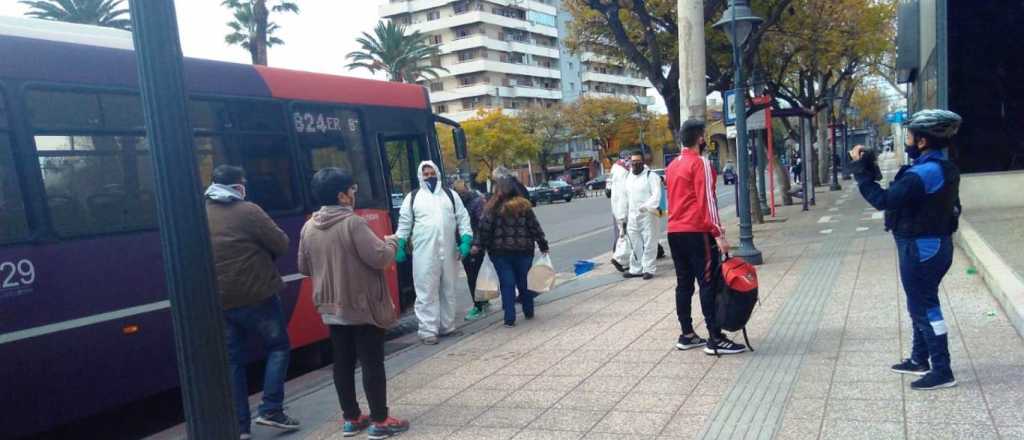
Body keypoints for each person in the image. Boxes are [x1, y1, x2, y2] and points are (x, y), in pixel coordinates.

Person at [847, 109, 963, 390]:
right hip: (932, 245)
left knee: (925, 306)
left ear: (922, 141)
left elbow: (884, 199)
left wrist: (860, 172)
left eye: (909, 136)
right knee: (918, 303)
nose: (907, 140)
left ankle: (942, 369)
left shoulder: (922, 173)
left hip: (922, 248)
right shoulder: (939, 168)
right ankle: (919, 358)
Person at [297, 168, 410, 438]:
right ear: (342, 196)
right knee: (372, 362)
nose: (354, 194)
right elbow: (379, 258)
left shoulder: (309, 225)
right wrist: (393, 242)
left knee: (343, 363)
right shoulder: (353, 223)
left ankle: (351, 418)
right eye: (352, 190)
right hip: (361, 305)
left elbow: (304, 266)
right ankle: (380, 421)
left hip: (330, 306)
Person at [204, 165, 299, 438]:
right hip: (256, 293)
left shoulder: (200, 212)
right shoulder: (248, 211)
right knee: (278, 346)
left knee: (233, 360)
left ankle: (240, 427)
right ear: (237, 186)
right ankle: (271, 409)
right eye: (242, 183)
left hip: (219, 299)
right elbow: (280, 243)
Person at [665, 120, 747, 355]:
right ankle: (715, 337)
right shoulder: (700, 163)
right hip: (697, 231)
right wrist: (718, 234)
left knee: (684, 284)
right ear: (701, 138)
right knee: (708, 283)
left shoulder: (672, 165)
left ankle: (687, 333)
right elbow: (707, 202)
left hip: (674, 231)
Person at [395, 161, 473, 345]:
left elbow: (463, 218)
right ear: (420, 176)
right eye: (426, 174)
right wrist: (399, 244)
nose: (429, 176)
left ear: (437, 173)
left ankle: (447, 326)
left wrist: (466, 240)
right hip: (424, 252)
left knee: (448, 288)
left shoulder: (450, 195)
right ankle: (428, 330)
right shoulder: (413, 198)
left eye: (432, 173)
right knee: (426, 290)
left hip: (449, 249)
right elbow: (404, 223)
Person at [471, 178, 549, 327]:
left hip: (500, 253)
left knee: (507, 284)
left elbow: (484, 230)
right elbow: (535, 228)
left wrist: (479, 246)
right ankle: (528, 310)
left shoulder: (492, 208)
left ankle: (509, 317)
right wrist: (543, 245)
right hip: (524, 250)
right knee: (524, 282)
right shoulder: (524, 207)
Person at [453, 179, 491, 320]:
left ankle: (479, 305)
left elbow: (481, 224)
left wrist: (477, 244)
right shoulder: (466, 203)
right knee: (476, 274)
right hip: (468, 244)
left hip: (473, 245)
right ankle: (483, 301)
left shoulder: (474, 203)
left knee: (473, 276)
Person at [622, 151, 663, 280]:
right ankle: (636, 268)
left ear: (643, 162)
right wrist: (624, 215)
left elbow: (657, 196)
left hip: (648, 215)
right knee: (634, 242)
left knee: (650, 241)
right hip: (633, 216)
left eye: (637, 161)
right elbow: (626, 197)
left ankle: (649, 269)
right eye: (632, 162)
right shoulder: (629, 177)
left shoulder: (651, 176)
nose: (634, 164)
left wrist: (645, 206)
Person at [608, 151, 631, 272]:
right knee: (625, 234)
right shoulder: (625, 171)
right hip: (624, 207)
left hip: (616, 207)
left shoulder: (614, 167)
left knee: (623, 233)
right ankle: (619, 258)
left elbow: (608, 188)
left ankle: (626, 261)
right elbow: (627, 191)